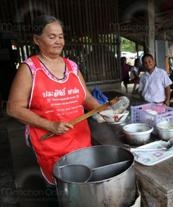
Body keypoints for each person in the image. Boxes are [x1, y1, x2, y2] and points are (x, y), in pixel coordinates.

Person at [6, 15, 102, 185]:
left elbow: (85, 96)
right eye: (52, 37)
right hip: (51, 143)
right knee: (63, 186)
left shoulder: (72, 67)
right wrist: (50, 125)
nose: (58, 41)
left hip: (80, 138)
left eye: (61, 36)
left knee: (84, 183)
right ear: (37, 39)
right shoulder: (29, 69)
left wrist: (103, 109)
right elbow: (14, 108)